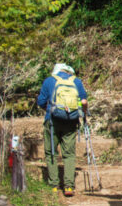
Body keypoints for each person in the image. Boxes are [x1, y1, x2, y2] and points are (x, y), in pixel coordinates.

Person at [36, 62, 88, 197]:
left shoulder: (49, 81)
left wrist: (50, 110)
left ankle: (54, 185)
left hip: (52, 120)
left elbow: (41, 101)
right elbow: (83, 102)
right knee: (69, 154)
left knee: (51, 152)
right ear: (68, 71)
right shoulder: (76, 81)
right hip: (71, 121)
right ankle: (69, 186)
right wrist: (84, 114)